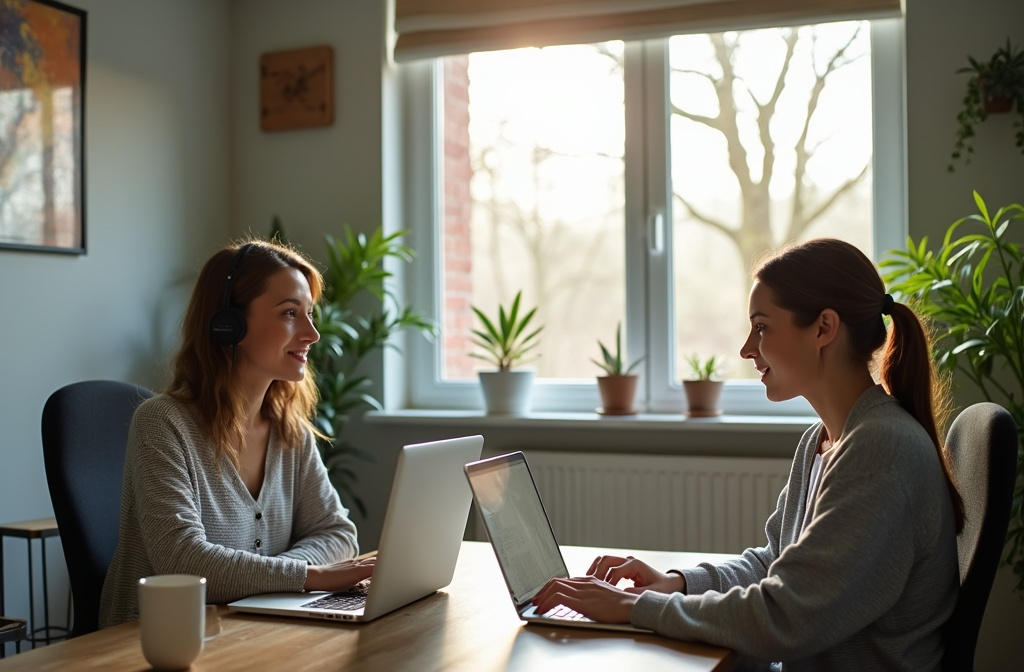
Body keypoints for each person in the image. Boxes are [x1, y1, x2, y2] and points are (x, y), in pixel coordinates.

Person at [532, 238, 964, 671]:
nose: (746, 349)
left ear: (823, 328)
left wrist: (634, 608)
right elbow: (777, 563)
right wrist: (676, 585)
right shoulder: (823, 441)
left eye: (762, 327)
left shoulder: (881, 449)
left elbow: (785, 617)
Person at [99, 240, 373, 628]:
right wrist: (310, 576)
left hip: (251, 635)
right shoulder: (161, 423)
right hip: (151, 643)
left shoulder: (288, 431)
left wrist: (273, 576)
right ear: (229, 326)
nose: (312, 334)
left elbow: (338, 533)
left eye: (310, 315)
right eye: (291, 313)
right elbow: (183, 560)